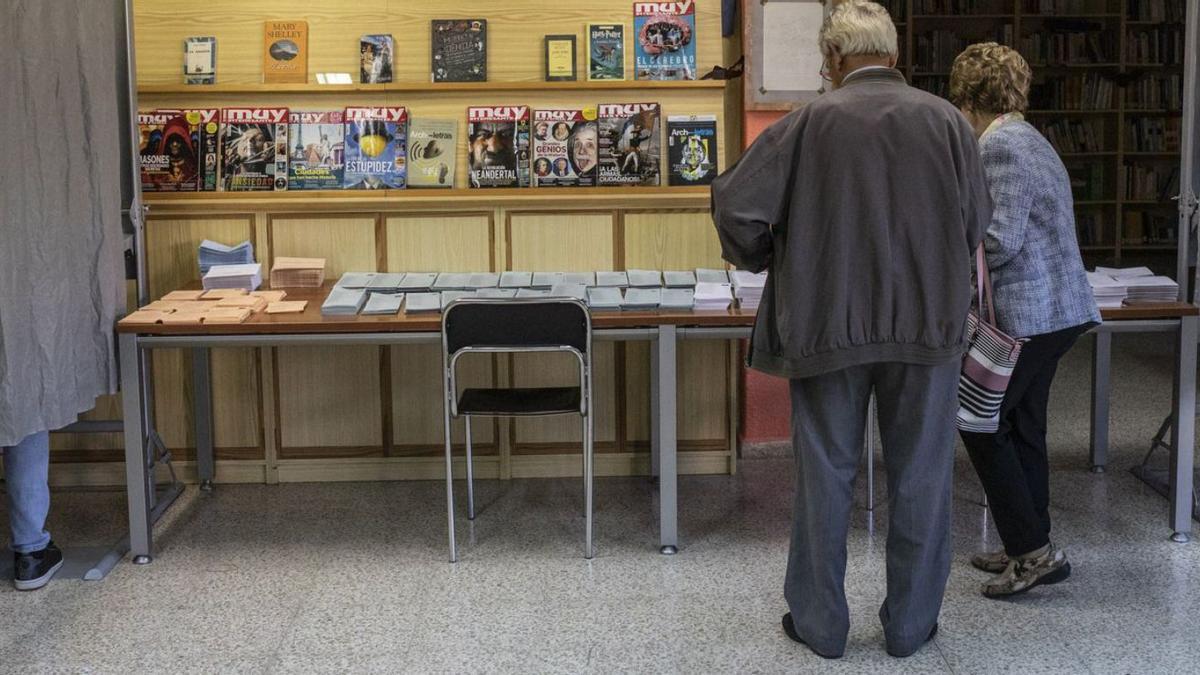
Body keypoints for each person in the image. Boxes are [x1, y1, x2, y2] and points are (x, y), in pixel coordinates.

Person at [711, 0, 989, 658]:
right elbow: (976, 219)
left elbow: (734, 205)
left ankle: (820, 625)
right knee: (923, 477)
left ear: (833, 60)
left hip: (824, 327)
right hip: (927, 329)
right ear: (892, 56)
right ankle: (911, 626)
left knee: (825, 478)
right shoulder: (949, 123)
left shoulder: (806, 124)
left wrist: (768, 255)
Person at [948, 42, 1100, 599]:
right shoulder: (1030, 137)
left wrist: (945, 250)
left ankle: (1033, 553)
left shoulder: (1001, 144)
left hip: (1029, 313)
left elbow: (999, 239)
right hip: (1054, 311)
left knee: (978, 421)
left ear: (965, 98)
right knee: (1023, 424)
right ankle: (1030, 542)